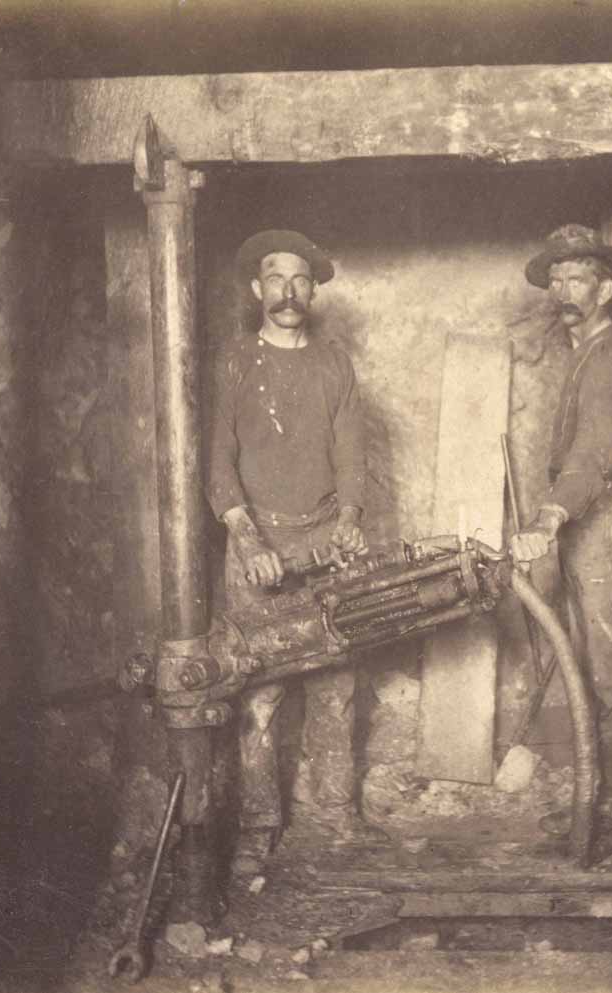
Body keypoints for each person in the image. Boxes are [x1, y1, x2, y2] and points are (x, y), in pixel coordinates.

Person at [207, 229, 388, 878]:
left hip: (323, 538)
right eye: (276, 278)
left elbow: (350, 451)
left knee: (336, 682)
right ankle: (259, 826)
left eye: (300, 279)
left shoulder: (333, 363)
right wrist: (247, 537)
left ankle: (336, 814)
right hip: (258, 542)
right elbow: (218, 458)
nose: (289, 291)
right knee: (260, 695)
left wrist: (349, 520)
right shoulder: (235, 359)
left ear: (313, 291)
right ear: (258, 289)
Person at [510, 224, 612, 834]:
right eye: (557, 280)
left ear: (605, 291)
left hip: (607, 518)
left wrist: (549, 516)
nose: (565, 291)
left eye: (578, 279)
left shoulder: (608, 359)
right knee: (594, 666)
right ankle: (598, 798)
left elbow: (594, 455)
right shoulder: (586, 355)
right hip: (588, 521)